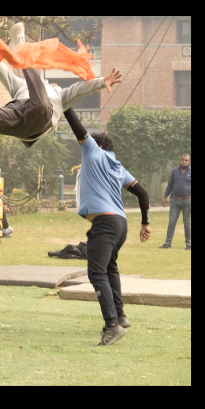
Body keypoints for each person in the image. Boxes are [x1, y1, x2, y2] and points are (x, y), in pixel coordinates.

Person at [64, 108, 151, 346]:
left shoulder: (94, 152)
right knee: (110, 268)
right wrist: (145, 222)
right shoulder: (118, 166)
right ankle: (120, 315)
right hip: (119, 223)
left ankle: (112, 325)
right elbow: (142, 193)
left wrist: (64, 103)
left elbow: (77, 126)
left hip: (104, 223)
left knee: (96, 273)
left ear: (97, 146)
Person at [0, 28, 122, 148]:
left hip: (40, 121)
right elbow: (2, 71)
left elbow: (80, 88)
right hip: (18, 116)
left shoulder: (61, 95)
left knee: (41, 104)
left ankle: (21, 49)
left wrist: (101, 81)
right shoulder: (21, 85)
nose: (53, 85)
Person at [160, 154, 191, 250]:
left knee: (187, 223)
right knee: (172, 222)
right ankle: (167, 243)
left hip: (188, 200)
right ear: (180, 160)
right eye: (182, 160)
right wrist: (165, 196)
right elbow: (170, 185)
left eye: (186, 160)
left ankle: (189, 245)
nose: (184, 162)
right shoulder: (174, 172)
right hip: (175, 200)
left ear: (189, 162)